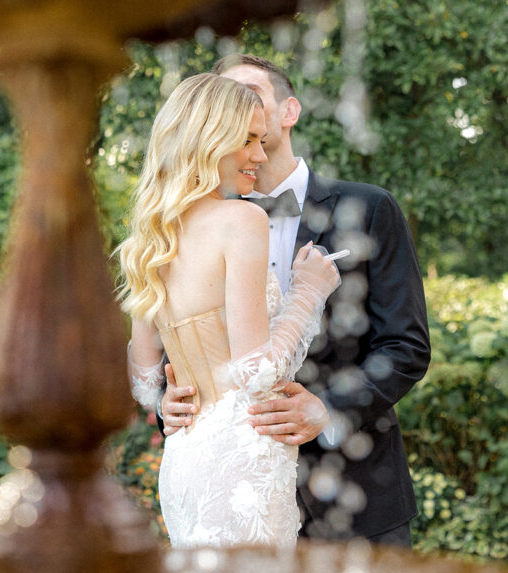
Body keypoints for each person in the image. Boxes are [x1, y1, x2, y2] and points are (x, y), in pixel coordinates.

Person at [160, 55, 431, 546]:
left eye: (251, 94)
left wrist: (328, 410)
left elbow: (405, 345)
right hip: (234, 493)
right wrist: (169, 399)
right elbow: (173, 342)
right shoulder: (190, 226)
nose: (240, 110)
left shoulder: (368, 208)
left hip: (357, 492)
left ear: (289, 111)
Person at [119, 73, 341, 549]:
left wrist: (165, 403)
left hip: (184, 461)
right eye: (247, 142)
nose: (260, 157)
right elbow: (258, 370)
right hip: (243, 460)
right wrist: (309, 291)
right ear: (208, 139)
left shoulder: (147, 242)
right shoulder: (242, 219)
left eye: (262, 141)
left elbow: (143, 383)